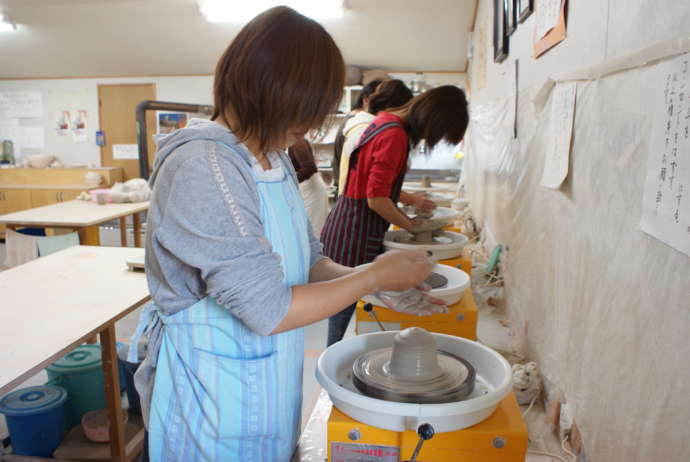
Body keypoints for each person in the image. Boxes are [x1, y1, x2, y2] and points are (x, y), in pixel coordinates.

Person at [131, 7, 434, 462]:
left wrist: (375, 278)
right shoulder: (204, 166)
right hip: (212, 397)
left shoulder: (275, 159)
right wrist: (371, 279)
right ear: (269, 91)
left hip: (267, 383)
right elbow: (268, 310)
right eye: (304, 111)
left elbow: (308, 262)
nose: (309, 128)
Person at [321, 85, 470, 346]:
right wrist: (413, 227)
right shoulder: (395, 135)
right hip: (355, 229)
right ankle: (334, 363)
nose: (430, 140)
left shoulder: (385, 121)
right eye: (438, 133)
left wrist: (409, 206)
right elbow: (376, 199)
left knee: (347, 300)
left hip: (349, 220)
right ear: (433, 120)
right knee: (343, 306)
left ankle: (338, 357)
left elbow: (376, 185)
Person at [337, 79, 414, 196]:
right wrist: (411, 199)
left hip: (355, 199)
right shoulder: (364, 129)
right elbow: (372, 184)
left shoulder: (367, 125)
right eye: (403, 111)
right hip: (358, 202)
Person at [332, 79, 382, 192]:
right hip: (349, 191)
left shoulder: (356, 120)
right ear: (366, 100)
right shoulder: (358, 124)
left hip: (346, 189)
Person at [289, 137, 329, 234]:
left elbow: (309, 168)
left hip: (312, 191)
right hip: (307, 189)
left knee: (312, 230)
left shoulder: (297, 141)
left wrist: (288, 181)